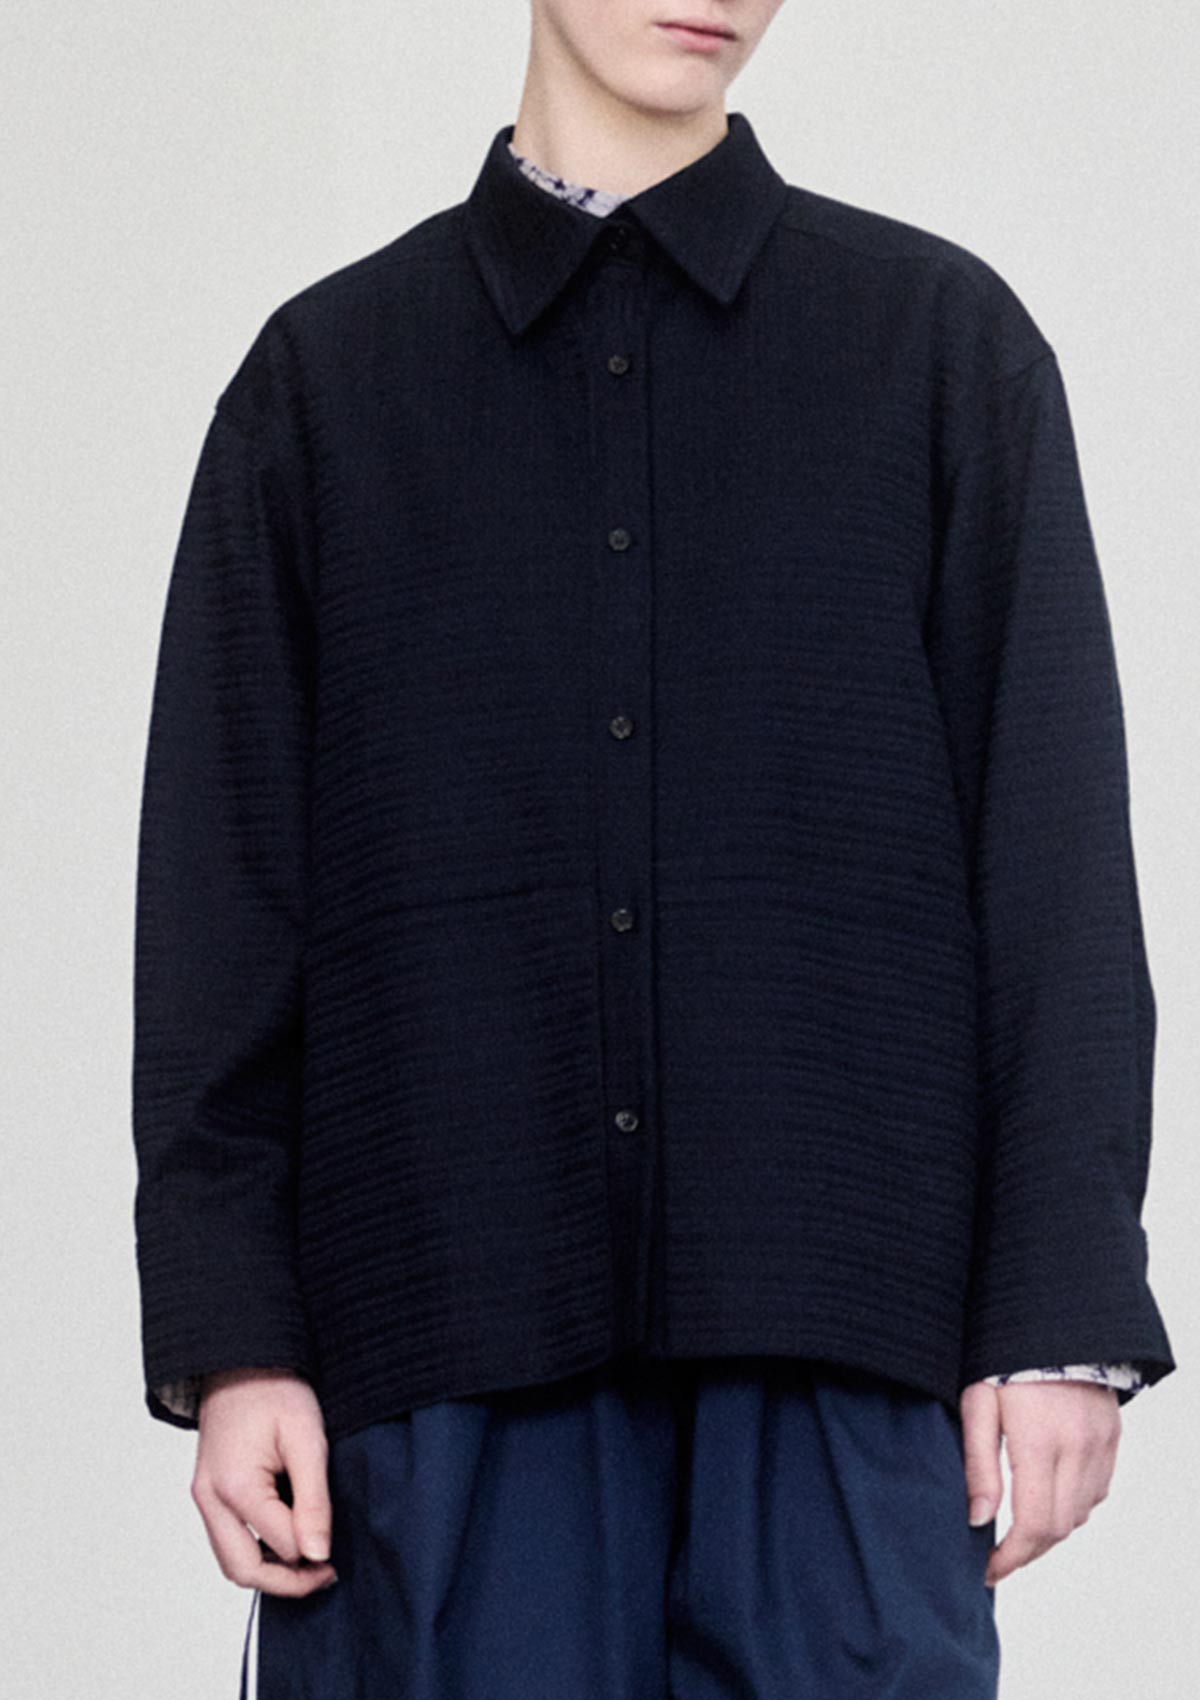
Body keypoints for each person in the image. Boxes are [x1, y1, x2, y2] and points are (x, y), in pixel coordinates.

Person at [130, 4, 1176, 1696]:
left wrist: (1062, 1313)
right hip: (441, 1343)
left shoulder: (939, 350)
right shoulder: (326, 386)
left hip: (843, 1344)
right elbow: (223, 906)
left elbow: (1052, 865)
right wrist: (235, 1338)